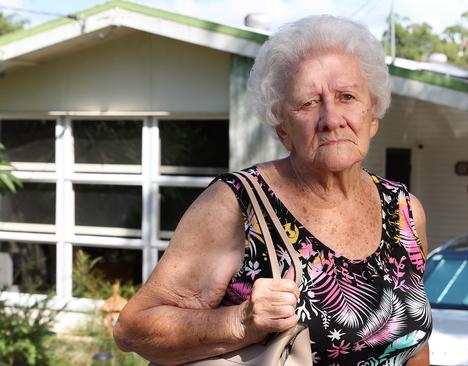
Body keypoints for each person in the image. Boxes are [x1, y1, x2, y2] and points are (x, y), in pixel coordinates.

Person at [114, 15, 432, 365]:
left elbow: (414, 343)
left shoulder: (404, 211)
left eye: (347, 96)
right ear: (283, 130)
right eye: (308, 103)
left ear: (373, 116)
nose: (330, 118)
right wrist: (239, 321)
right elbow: (133, 329)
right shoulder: (237, 204)